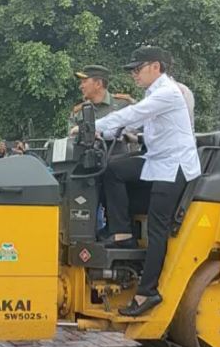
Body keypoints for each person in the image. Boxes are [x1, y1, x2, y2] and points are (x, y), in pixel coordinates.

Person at [95, 46, 201, 317]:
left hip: (174, 166)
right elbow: (138, 125)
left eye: (137, 69)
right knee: (112, 171)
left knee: (157, 228)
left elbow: (132, 115)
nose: (134, 75)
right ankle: (122, 234)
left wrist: (94, 126)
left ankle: (147, 292)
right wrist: (128, 135)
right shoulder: (153, 94)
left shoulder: (167, 92)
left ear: (156, 67)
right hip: (155, 160)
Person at [69, 65, 135, 135]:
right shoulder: (78, 112)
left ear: (98, 84)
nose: (81, 86)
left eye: (84, 81)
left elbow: (138, 134)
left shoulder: (124, 105)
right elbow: (71, 139)